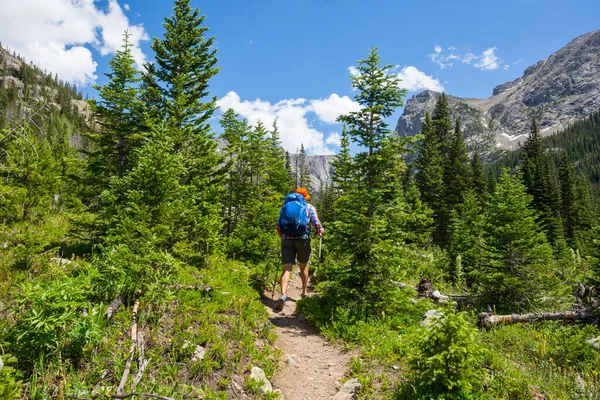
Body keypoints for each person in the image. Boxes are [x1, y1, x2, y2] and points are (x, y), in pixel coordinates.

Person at [275, 187, 324, 311]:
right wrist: (320, 231)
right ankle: (303, 293)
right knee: (303, 266)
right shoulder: (309, 207)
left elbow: (278, 227)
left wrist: (283, 236)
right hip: (303, 240)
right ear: (305, 197)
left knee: (286, 269)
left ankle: (283, 295)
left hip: (287, 240)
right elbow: (317, 224)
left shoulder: (285, 207)